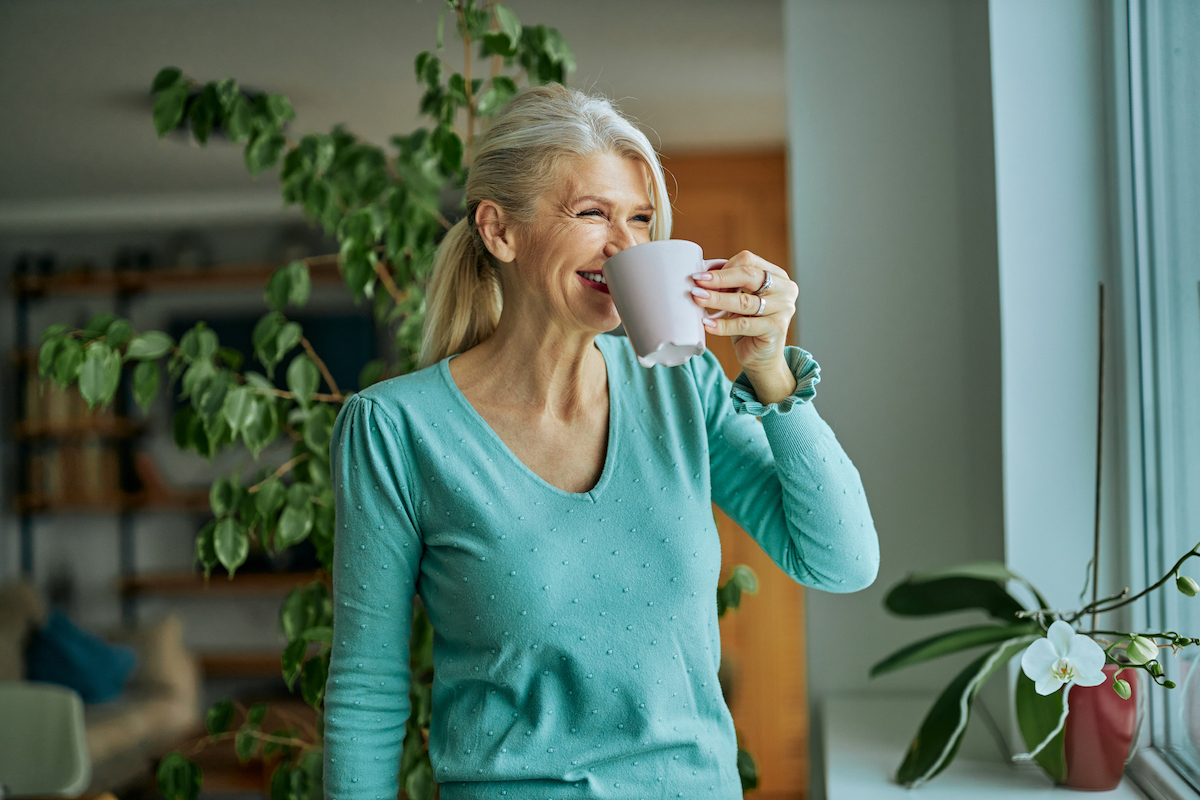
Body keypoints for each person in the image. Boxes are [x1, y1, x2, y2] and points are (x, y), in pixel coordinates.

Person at [323, 83, 879, 800]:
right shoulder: (394, 430)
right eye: (592, 214)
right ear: (500, 231)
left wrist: (770, 368)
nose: (626, 245)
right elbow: (367, 687)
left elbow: (841, 560)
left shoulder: (683, 388)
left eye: (641, 219)